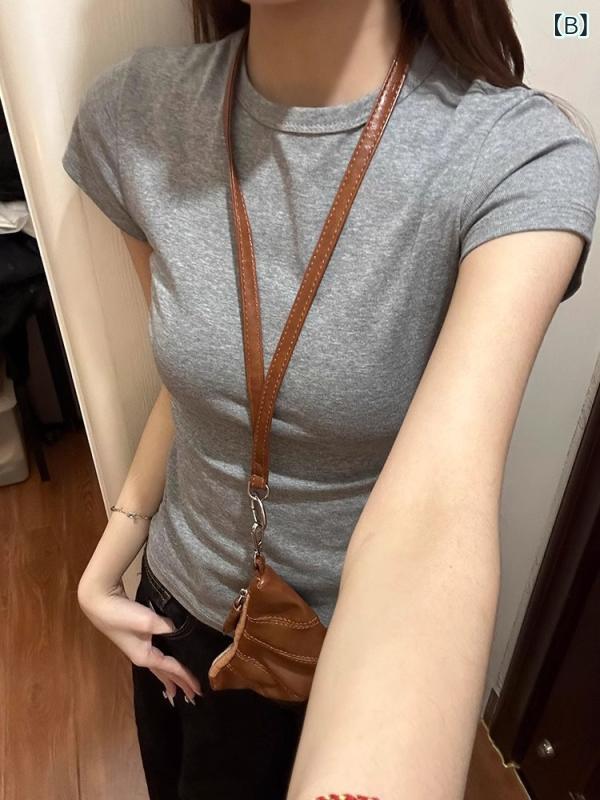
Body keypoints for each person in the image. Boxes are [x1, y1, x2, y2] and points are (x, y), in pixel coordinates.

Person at [61, 1, 600, 798]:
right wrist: (112, 553)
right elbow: (200, 387)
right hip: (173, 615)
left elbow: (439, 511)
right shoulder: (137, 114)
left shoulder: (514, 155)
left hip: (349, 652)